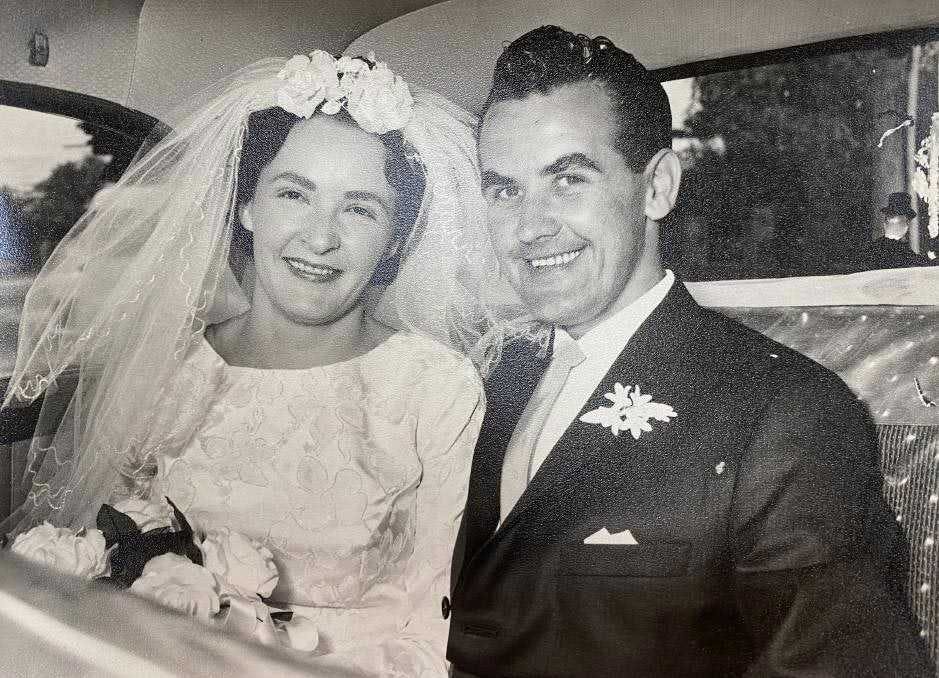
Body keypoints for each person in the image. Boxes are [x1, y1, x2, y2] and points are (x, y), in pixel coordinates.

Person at [446, 26, 933, 677]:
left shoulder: (784, 416)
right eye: (503, 189)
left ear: (658, 187)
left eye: (567, 179)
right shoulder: (487, 376)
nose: (529, 228)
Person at [3, 50, 495, 676]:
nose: (321, 238)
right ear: (248, 207)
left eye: (360, 209)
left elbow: (432, 628)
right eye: (295, 194)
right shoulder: (170, 364)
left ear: (392, 239)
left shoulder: (436, 387)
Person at [855, 191, 933, 270]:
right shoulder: (885, 249)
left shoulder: (902, 248)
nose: (907, 223)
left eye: (908, 219)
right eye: (903, 218)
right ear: (888, 220)